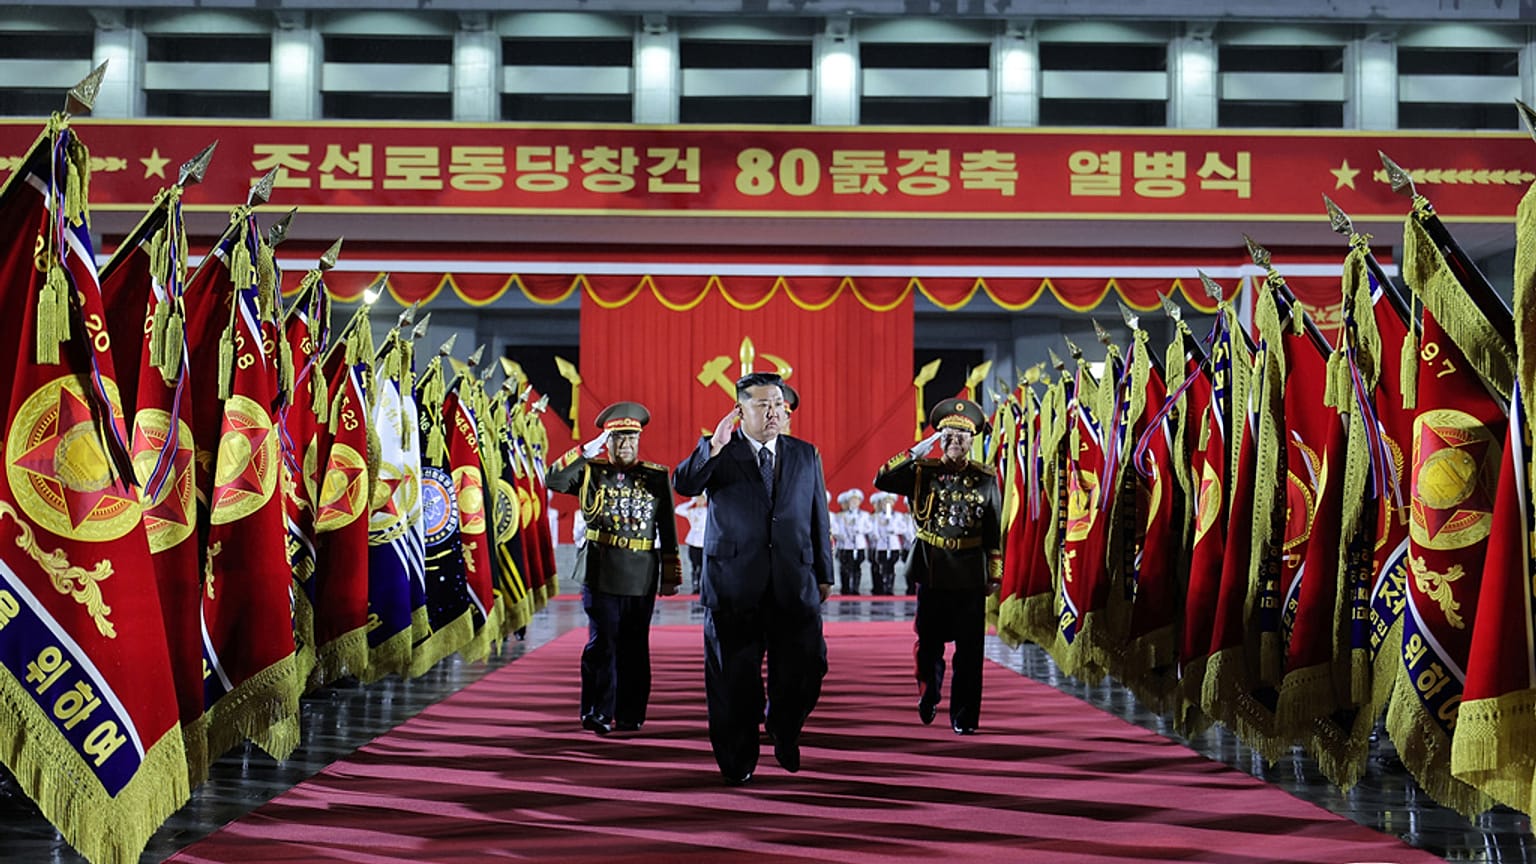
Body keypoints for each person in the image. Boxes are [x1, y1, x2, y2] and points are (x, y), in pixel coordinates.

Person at [674, 371, 833, 785]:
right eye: (763, 405)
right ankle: (738, 759)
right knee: (733, 681)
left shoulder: (805, 454)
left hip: (793, 583)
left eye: (778, 405)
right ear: (739, 410)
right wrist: (714, 446)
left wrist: (825, 571)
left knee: (808, 668)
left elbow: (818, 515)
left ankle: (783, 725)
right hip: (733, 585)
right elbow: (684, 483)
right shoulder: (719, 452)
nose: (774, 413)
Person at [546, 401, 682, 736]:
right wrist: (587, 449)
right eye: (618, 439)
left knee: (635, 646)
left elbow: (667, 526)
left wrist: (670, 573)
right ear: (607, 442)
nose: (625, 446)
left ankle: (631, 713)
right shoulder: (591, 470)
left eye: (631, 439)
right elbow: (553, 479)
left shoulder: (654, 476)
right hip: (601, 569)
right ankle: (597, 711)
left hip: (642, 573)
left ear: (639, 440)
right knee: (602, 643)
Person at [873, 398, 1001, 735]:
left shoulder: (985, 478)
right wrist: (917, 450)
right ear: (938, 439)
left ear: (973, 441)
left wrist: (995, 574)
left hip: (971, 574)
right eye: (947, 435)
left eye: (961, 436)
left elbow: (993, 529)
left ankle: (964, 716)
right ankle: (929, 692)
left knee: (970, 653)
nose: (954, 441)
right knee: (929, 646)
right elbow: (882, 479)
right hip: (932, 570)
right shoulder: (921, 472)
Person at [868, 491, 915, 595]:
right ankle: (881, 588)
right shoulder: (877, 516)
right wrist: (881, 534)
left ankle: (889, 588)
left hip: (894, 545)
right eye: (885, 502)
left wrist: (892, 528)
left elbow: (903, 528)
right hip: (881, 545)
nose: (887, 504)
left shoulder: (898, 516)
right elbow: (874, 530)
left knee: (891, 567)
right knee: (881, 566)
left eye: (890, 501)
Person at [830, 489, 873, 595]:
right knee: (844, 568)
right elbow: (835, 530)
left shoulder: (865, 515)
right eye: (851, 500)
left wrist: (859, 530)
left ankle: (855, 588)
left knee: (857, 567)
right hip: (845, 545)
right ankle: (845, 588)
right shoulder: (840, 516)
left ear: (860, 501)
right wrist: (843, 536)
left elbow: (869, 528)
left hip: (859, 545)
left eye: (856, 500)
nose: (854, 503)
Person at [674, 493, 709, 593]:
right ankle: (695, 584)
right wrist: (692, 501)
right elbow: (678, 510)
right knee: (694, 564)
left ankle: (703, 585)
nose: (700, 501)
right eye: (698, 499)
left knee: (703, 565)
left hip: (704, 541)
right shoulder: (692, 511)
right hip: (693, 540)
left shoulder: (708, 512)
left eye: (702, 499)